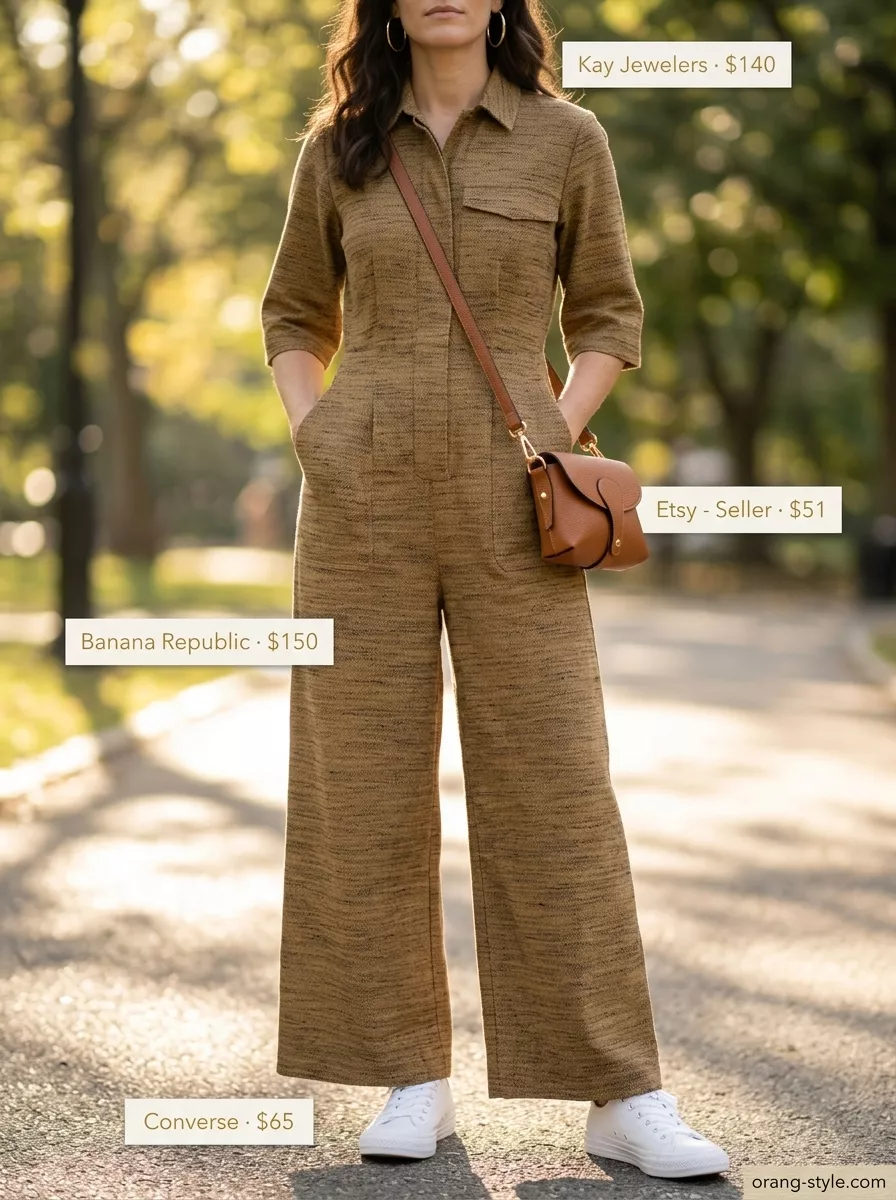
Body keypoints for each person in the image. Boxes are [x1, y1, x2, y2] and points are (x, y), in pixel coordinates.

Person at [260, 0, 730, 1180]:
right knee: (357, 784)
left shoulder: (568, 139)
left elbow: (610, 317)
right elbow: (290, 313)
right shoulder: (341, 146)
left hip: (516, 503)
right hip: (359, 502)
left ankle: (619, 1092)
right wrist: (320, 438)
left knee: (558, 781)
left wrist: (551, 440)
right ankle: (407, 1074)